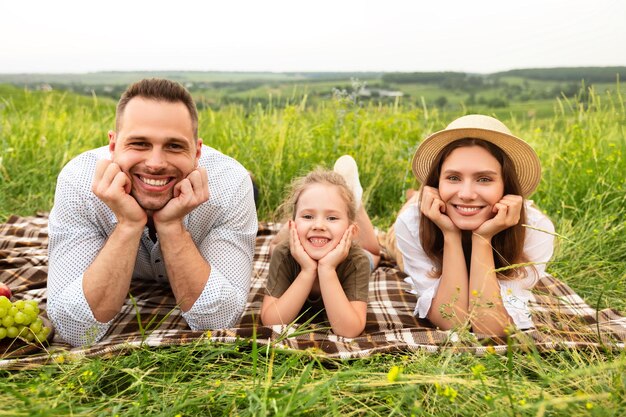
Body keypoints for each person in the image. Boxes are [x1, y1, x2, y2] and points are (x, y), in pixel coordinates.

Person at [47, 78, 258, 347]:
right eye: (139, 144)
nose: (156, 163)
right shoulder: (77, 181)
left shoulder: (231, 184)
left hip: (222, 194)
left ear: (197, 152)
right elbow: (74, 329)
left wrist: (171, 225)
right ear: (113, 146)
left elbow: (218, 323)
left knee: (250, 193)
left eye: (174, 146)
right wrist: (128, 224)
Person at [391, 114, 555, 336]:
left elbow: (488, 327)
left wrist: (482, 239)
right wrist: (449, 234)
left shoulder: (536, 230)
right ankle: (378, 198)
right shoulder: (412, 223)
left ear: (506, 185)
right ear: (436, 182)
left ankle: (414, 194)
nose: (466, 194)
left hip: (457, 210)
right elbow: (451, 320)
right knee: (385, 246)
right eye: (453, 178)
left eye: (484, 179)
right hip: (422, 219)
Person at [261, 157, 380, 337]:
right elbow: (271, 321)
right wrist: (307, 271)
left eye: (332, 218)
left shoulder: (356, 260)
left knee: (374, 254)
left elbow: (350, 330)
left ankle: (356, 201)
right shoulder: (284, 254)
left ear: (350, 228)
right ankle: (303, 221)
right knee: (275, 246)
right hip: (294, 238)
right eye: (308, 216)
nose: (319, 225)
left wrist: (327, 269)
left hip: (347, 248)